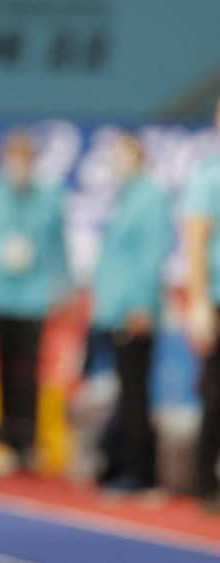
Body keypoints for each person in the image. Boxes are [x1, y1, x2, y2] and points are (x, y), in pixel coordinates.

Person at [90, 133, 172, 493]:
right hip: (116, 308)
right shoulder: (125, 196)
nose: (115, 162)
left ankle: (143, 474)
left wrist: (140, 305)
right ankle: (119, 463)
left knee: (136, 393)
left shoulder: (150, 196)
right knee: (126, 390)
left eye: (121, 155)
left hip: (133, 310)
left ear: (138, 156)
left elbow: (150, 256)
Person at [0, 131, 69, 471]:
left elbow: (58, 246)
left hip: (35, 296)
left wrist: (64, 286)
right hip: (3, 293)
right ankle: (6, 440)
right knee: (3, 368)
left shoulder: (50, 197)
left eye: (25, 158)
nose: (18, 165)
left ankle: (28, 442)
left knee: (30, 370)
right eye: (13, 157)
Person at [183, 97, 220, 512]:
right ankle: (205, 482)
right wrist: (199, 302)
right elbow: (196, 240)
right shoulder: (210, 176)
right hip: (217, 297)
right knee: (215, 392)